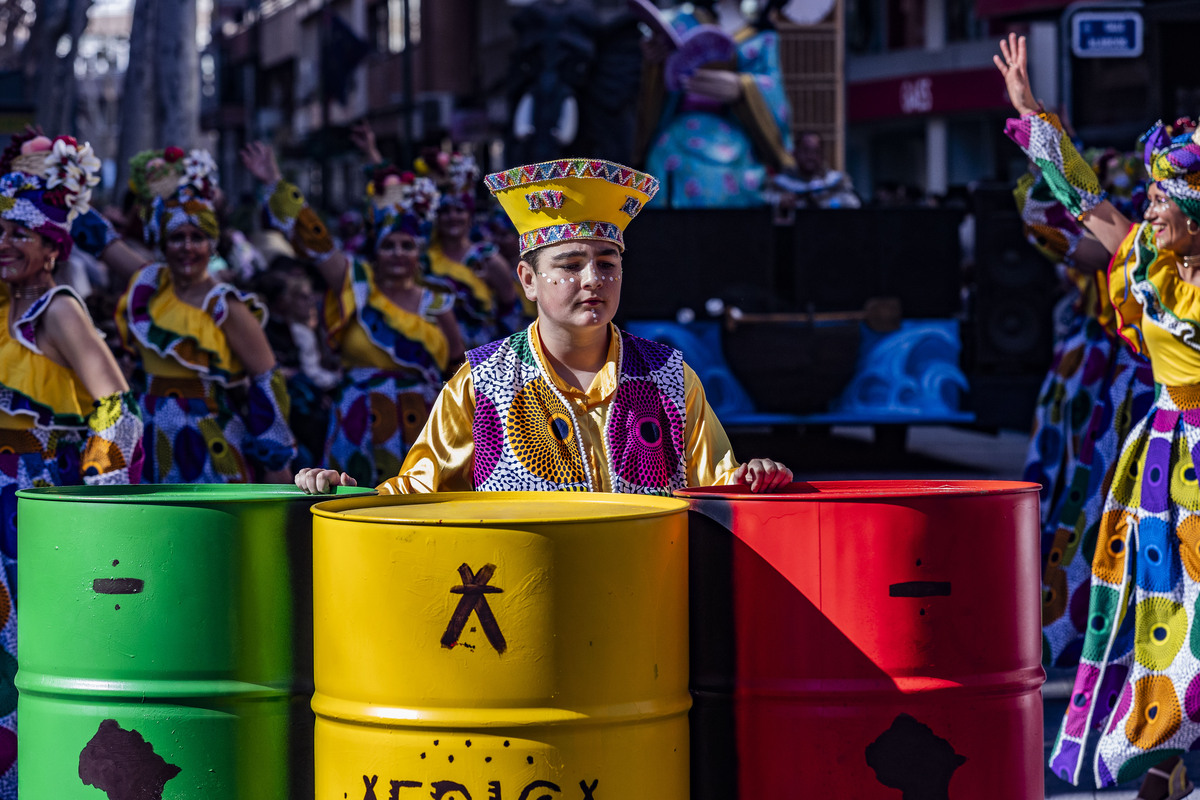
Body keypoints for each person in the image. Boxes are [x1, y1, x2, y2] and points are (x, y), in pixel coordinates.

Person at [296, 157, 792, 495]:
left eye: (607, 264)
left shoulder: (669, 377)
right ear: (528, 281)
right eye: (571, 265)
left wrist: (756, 476)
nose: (593, 279)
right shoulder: (482, 383)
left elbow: (720, 488)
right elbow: (412, 495)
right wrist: (344, 490)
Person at [997, 33, 1200, 799]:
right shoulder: (1147, 260)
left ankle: (1171, 760)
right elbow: (1088, 204)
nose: (1147, 210)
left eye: (1162, 200)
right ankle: (1167, 762)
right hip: (1162, 461)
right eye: (1148, 199)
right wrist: (1035, 118)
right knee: (1161, 613)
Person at [0, 131, 145, 796]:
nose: (5, 243)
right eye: (0, 230)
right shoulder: (6, 308)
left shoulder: (56, 310)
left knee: (22, 652)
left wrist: (96, 504)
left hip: (27, 506)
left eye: (20, 234)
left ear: (53, 246)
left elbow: (116, 405)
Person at [242, 141, 464, 486]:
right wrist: (275, 182)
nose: (397, 254)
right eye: (389, 245)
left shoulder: (437, 302)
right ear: (376, 249)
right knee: (351, 501)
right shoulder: (356, 282)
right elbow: (316, 243)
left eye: (407, 246)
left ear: (419, 251)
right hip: (358, 416)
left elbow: (457, 370)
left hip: (421, 417)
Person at [73, 146, 296, 483]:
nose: (187, 247)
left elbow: (267, 382)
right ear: (162, 243)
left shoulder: (226, 305)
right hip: (148, 434)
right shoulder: (150, 285)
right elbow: (102, 241)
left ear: (212, 244)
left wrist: (276, 466)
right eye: (177, 238)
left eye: (198, 238)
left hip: (208, 441)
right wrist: (60, 183)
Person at [637, 0, 796, 208]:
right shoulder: (680, 24)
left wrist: (743, 88)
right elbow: (654, 89)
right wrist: (654, 63)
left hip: (733, 139)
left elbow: (774, 91)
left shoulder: (761, 37)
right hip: (677, 136)